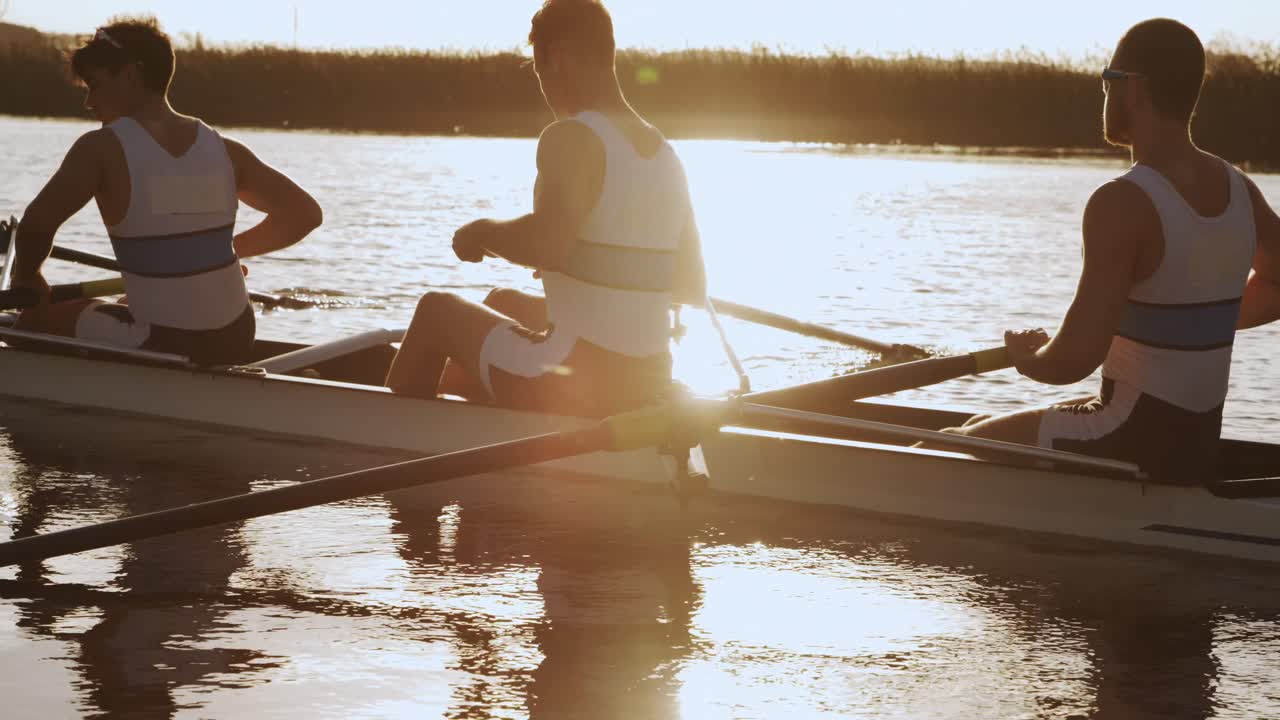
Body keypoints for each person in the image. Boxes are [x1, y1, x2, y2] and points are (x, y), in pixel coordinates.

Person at [948, 18, 1280, 482]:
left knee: (952, 446)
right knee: (975, 426)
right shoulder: (1240, 189)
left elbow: (1074, 360)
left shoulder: (1121, 202)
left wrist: (1028, 361)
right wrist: (1202, 316)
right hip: (1194, 448)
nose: (1104, 92)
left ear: (1135, 88)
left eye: (1108, 79)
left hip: (1125, 440)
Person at [385, 0, 706, 417]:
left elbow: (545, 246)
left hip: (576, 381)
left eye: (539, 71)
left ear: (558, 59)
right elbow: (690, 285)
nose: (543, 87)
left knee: (436, 312)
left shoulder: (571, 135)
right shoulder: (665, 155)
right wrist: (590, 265)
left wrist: (480, 232)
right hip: (650, 377)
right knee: (503, 302)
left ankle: (395, 435)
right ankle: (469, 414)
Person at [12, 17, 322, 365]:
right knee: (121, 307)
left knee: (31, 322)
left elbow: (37, 224)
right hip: (236, 336)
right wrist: (229, 253)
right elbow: (305, 214)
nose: (89, 101)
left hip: (164, 342)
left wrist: (27, 276)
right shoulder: (226, 150)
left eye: (95, 85)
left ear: (130, 74)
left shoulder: (100, 150)